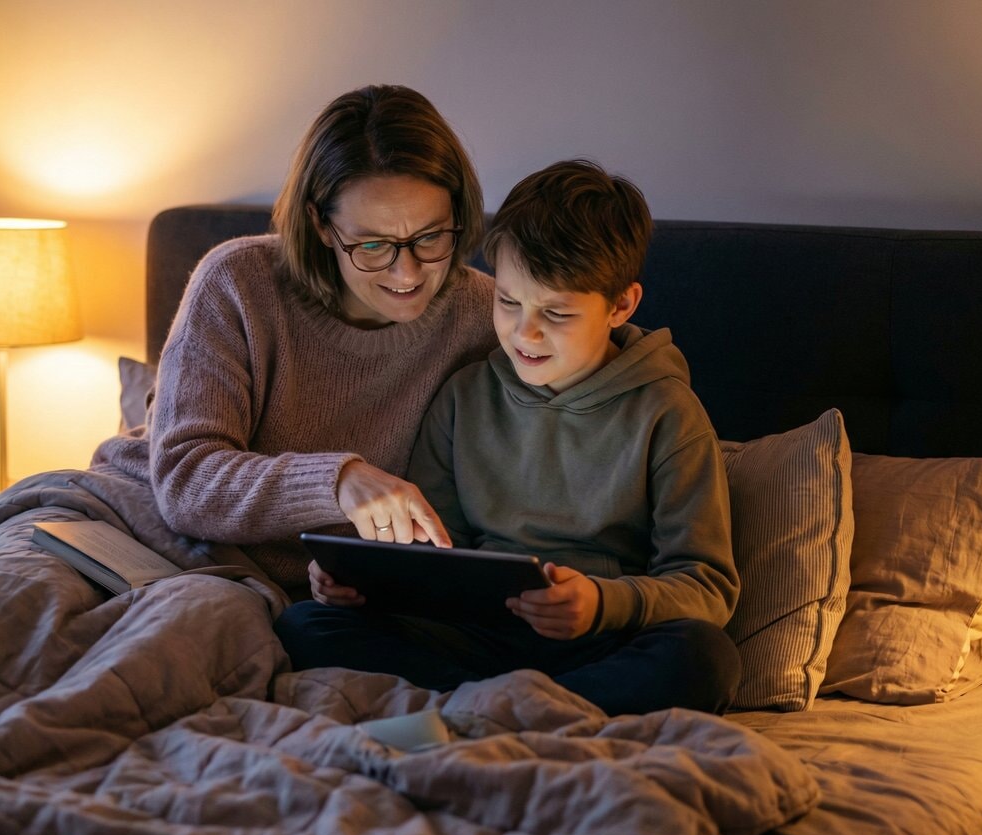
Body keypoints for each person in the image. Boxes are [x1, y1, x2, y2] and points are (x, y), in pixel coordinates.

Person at [274, 159, 742, 716]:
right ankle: (518, 712)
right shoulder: (464, 395)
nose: (526, 332)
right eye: (509, 302)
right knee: (306, 623)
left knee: (704, 658)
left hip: (597, 640)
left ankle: (474, 711)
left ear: (621, 305)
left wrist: (601, 603)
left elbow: (706, 585)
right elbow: (432, 549)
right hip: (475, 635)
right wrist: (364, 582)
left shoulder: (668, 414)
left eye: (557, 313)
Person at [90, 84, 498, 602]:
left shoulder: (491, 314)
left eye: (431, 237)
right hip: (134, 521)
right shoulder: (237, 281)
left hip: (286, 588)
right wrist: (339, 480)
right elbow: (185, 479)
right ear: (319, 224)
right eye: (373, 244)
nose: (408, 272)